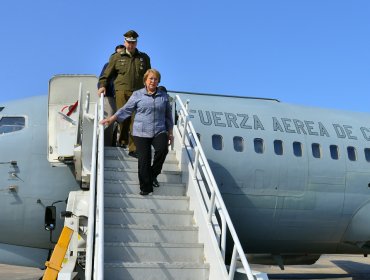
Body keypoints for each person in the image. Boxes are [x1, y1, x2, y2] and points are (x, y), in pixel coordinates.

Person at [100, 69, 174, 195]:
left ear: (158, 81)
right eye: (151, 78)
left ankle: (152, 175)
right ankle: (146, 188)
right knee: (144, 159)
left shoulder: (164, 97)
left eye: (155, 79)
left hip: (159, 130)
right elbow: (126, 110)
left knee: (162, 150)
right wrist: (111, 119)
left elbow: (168, 116)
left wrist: (170, 133)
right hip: (141, 131)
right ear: (145, 80)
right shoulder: (137, 95)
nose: (153, 81)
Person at [98, 30, 151, 157]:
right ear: (124, 42)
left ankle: (133, 149)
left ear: (136, 43)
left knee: (136, 120)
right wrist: (102, 86)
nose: (130, 45)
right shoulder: (116, 57)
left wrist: (150, 90)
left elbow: (149, 75)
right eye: (128, 42)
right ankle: (122, 141)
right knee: (123, 117)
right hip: (122, 91)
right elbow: (106, 74)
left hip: (139, 93)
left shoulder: (144, 58)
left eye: (133, 43)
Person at [98, 44, 125, 146]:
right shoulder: (108, 65)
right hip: (110, 96)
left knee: (123, 120)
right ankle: (106, 145)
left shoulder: (128, 66)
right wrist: (102, 86)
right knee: (109, 120)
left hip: (124, 96)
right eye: (117, 53)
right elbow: (103, 78)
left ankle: (121, 143)